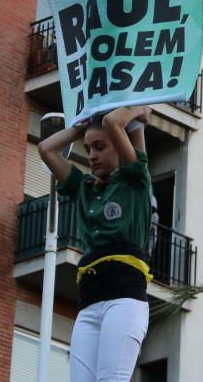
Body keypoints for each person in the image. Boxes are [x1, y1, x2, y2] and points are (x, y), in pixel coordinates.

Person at [38, 105, 154, 382]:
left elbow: (115, 121)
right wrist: (81, 126)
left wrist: (138, 110)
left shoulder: (134, 182)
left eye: (100, 146)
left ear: (119, 146)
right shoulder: (84, 188)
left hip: (123, 299)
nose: (91, 156)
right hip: (90, 303)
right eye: (88, 148)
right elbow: (46, 149)